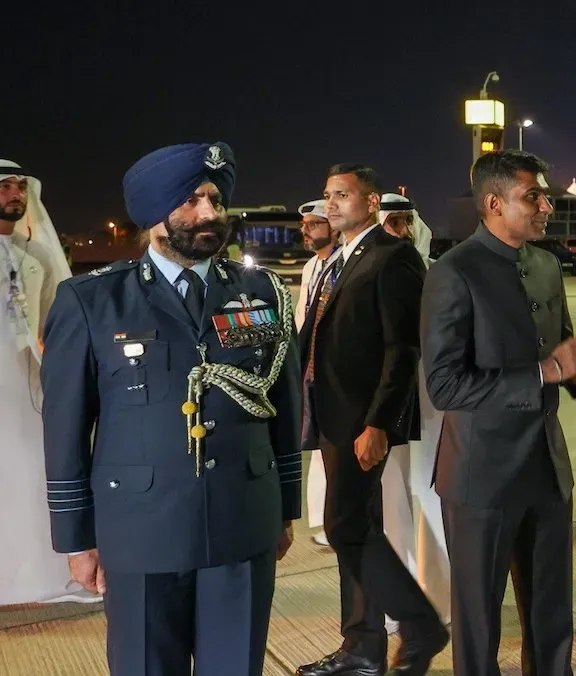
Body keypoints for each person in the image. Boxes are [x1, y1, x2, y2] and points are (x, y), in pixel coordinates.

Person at [40, 142, 302, 674]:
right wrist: (76, 537)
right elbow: (66, 425)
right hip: (140, 531)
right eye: (189, 200)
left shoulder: (262, 294)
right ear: (152, 214)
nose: (208, 213)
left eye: (214, 198)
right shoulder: (92, 301)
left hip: (242, 520)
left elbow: (285, 406)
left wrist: (284, 507)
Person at [421, 149, 576, 676]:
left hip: (546, 470)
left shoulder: (547, 265)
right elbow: (444, 385)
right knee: (479, 623)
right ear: (492, 203)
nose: (546, 205)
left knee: (552, 615)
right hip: (481, 478)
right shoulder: (453, 272)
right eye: (533, 195)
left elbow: (560, 344)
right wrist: (543, 373)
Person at [296, 164, 447, 676]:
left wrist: (379, 423)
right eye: (326, 195)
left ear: (371, 201)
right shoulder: (338, 259)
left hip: (361, 420)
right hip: (332, 413)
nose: (331, 204)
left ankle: (419, 624)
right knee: (355, 527)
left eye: (342, 195)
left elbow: (401, 347)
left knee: (344, 525)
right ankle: (362, 648)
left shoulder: (392, 256)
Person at [0, 160, 96, 606]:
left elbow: (54, 320)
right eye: (4, 187)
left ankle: (34, 572)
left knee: (29, 469)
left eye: (19, 186)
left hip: (27, 383)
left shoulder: (34, 256)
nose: (14, 194)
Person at [377, 191, 451, 624]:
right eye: (392, 224)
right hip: (386, 407)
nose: (401, 233)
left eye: (407, 223)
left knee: (432, 494)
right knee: (390, 500)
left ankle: (439, 602)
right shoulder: (369, 270)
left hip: (430, 404)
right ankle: (396, 605)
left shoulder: (439, 274)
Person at [295, 198, 340, 547]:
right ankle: (326, 522)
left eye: (314, 224)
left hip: (336, 377)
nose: (306, 231)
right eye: (305, 225)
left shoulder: (345, 265)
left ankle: (336, 522)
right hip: (311, 372)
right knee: (318, 453)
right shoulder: (312, 266)